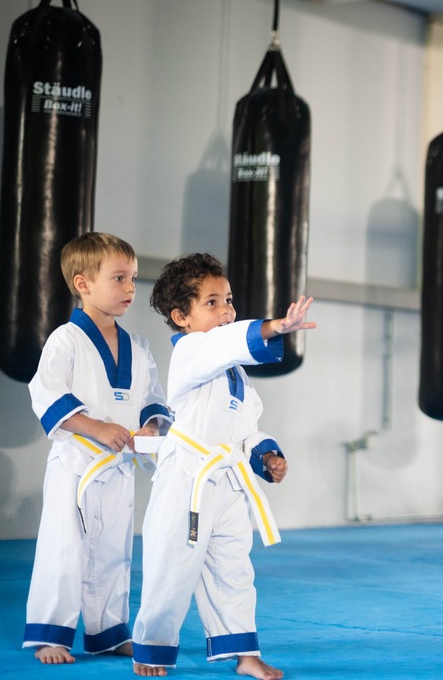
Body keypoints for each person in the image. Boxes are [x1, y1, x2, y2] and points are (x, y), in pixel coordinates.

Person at [130, 253, 315, 679]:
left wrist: (265, 455)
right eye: (211, 302)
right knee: (172, 567)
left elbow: (247, 426)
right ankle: (153, 647)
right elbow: (223, 342)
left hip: (228, 483)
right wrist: (273, 327)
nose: (227, 310)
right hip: (188, 478)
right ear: (182, 317)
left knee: (234, 567)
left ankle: (244, 653)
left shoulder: (235, 374)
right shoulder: (193, 352)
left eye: (228, 300)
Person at [23, 232, 170, 664]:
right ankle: (51, 635)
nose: (130, 288)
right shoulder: (65, 340)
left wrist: (148, 427)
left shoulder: (139, 348)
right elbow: (46, 394)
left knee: (114, 551)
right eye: (119, 278)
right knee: (64, 547)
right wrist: (94, 427)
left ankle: (107, 632)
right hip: (76, 465)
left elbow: (155, 401)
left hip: (119, 469)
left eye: (134, 278)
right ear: (83, 284)